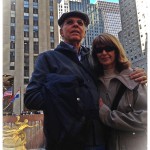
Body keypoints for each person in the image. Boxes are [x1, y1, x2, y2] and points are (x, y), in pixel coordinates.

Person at [24, 11, 147, 150]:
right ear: (61, 32)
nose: (76, 25)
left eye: (80, 23)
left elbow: (114, 71)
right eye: (70, 22)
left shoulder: (94, 58)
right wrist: (70, 93)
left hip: (100, 141)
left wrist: (138, 73)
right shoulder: (47, 58)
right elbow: (31, 98)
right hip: (65, 142)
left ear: (85, 32)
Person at [91, 33, 147, 150]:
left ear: (116, 50)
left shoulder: (134, 78)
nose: (104, 53)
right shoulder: (93, 81)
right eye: (99, 50)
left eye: (109, 48)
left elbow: (145, 118)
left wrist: (108, 116)